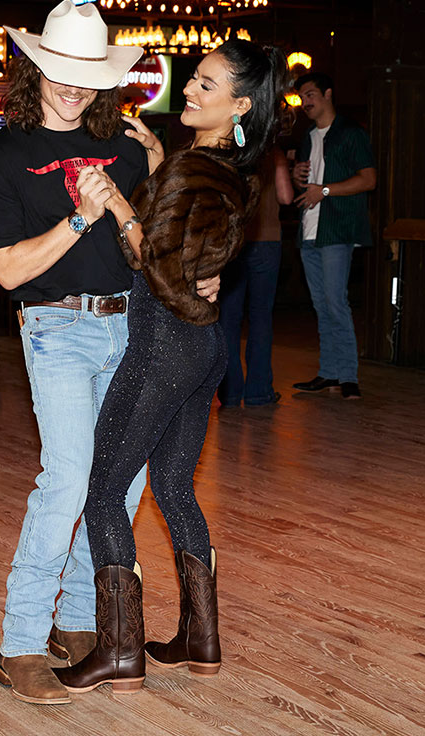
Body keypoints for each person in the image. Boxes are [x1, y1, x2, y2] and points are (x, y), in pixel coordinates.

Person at [0, 0, 219, 706]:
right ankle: (20, 641)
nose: (74, 87)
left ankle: (80, 622)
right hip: (54, 328)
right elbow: (9, 271)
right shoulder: (5, 155)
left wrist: (143, 194)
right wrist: (81, 216)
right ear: (37, 69)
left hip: (131, 325)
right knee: (69, 477)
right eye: (61, 72)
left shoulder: (128, 149)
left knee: (122, 481)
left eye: (87, 75)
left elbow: (149, 254)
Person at [54, 40, 289, 695]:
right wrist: (159, 166)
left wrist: (121, 206)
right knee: (177, 487)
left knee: (103, 492)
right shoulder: (228, 167)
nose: (189, 88)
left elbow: (152, 260)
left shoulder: (198, 170)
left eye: (206, 84)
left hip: (163, 348)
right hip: (205, 348)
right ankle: (200, 639)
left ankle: (119, 652)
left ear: (240, 104)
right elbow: (192, 244)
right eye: (195, 77)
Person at [290, 72, 377, 400]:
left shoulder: (351, 132)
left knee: (335, 302)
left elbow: (369, 179)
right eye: (302, 97)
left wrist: (325, 190)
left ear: (328, 93)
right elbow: (308, 182)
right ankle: (329, 372)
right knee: (320, 304)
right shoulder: (308, 135)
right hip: (309, 228)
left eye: (310, 95)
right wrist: (297, 176)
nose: (306, 102)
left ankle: (348, 375)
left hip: (337, 227)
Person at [217, 145, 294, 408]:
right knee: (261, 317)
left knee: (229, 318)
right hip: (268, 241)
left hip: (235, 242)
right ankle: (259, 392)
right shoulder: (274, 155)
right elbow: (285, 197)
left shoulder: (231, 153)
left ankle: (229, 393)